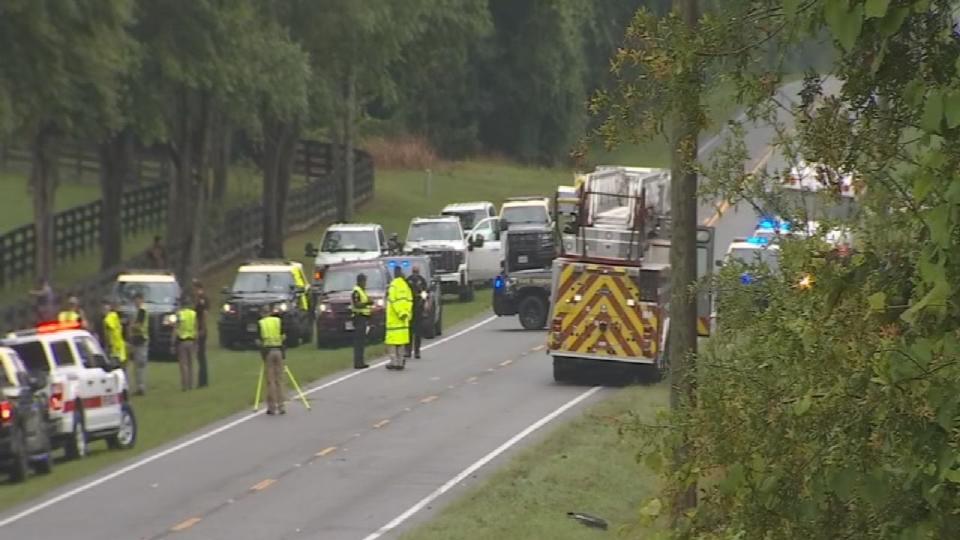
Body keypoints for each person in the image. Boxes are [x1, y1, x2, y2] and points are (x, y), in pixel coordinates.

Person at [257, 305, 286, 415]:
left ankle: (272, 407)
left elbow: (259, 341)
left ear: (262, 313)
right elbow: (283, 336)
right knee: (279, 380)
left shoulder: (261, 323)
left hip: (268, 352)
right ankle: (281, 406)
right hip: (278, 350)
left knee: (270, 381)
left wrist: (262, 354)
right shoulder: (278, 321)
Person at [385, 266, 413, 370]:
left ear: (394, 274)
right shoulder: (406, 286)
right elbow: (409, 300)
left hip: (394, 319)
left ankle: (394, 362)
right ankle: (401, 362)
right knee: (401, 343)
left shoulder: (393, 286)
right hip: (403, 320)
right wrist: (406, 313)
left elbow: (393, 300)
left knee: (392, 343)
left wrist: (400, 312)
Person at [405, 265, 428, 360]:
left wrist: (422, 301)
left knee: (415, 331)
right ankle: (411, 351)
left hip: (417, 307)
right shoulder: (409, 280)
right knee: (411, 331)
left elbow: (424, 293)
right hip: (412, 307)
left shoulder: (421, 280)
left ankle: (414, 351)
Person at [174, 295, 197, 391]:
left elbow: (176, 327)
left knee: (183, 365)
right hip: (191, 340)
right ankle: (191, 384)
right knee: (191, 364)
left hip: (182, 341)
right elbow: (195, 326)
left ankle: (184, 385)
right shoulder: (193, 314)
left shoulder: (180, 314)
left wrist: (173, 341)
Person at [351, 273, 373, 369]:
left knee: (362, 341)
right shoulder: (356, 291)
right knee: (359, 342)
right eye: (364, 281)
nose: (365, 283)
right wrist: (367, 303)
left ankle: (361, 361)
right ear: (360, 281)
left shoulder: (362, 291)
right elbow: (357, 304)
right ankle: (358, 362)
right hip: (359, 317)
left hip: (363, 318)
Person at [129, 292, 149, 396]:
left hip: (141, 339)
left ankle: (141, 387)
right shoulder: (138, 311)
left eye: (137, 300)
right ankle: (139, 386)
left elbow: (137, 325)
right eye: (134, 300)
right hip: (137, 339)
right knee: (138, 365)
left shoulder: (142, 311)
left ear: (141, 299)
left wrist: (131, 325)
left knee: (140, 364)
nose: (135, 302)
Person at [102, 299, 127, 375]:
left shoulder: (108, 318)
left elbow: (109, 331)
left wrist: (108, 345)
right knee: (122, 368)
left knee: (114, 369)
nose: (103, 310)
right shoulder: (115, 315)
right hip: (120, 345)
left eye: (105, 309)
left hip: (114, 347)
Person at [193, 279, 209, 388]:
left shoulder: (202, 300)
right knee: (200, 356)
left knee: (201, 355)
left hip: (201, 329)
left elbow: (204, 314)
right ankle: (202, 380)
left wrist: (202, 329)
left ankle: (203, 381)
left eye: (195, 288)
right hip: (200, 328)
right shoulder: (200, 299)